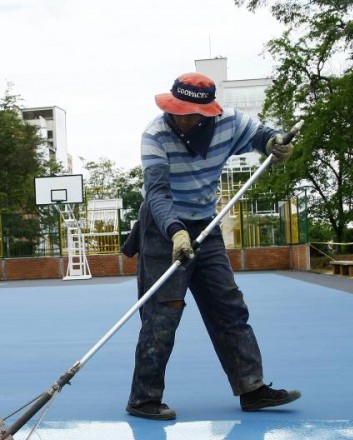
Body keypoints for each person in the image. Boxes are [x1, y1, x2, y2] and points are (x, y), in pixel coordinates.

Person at [123, 72, 300, 420]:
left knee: (228, 305)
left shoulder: (230, 122)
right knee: (163, 313)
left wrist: (275, 144)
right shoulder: (155, 135)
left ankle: (252, 388)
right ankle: (143, 399)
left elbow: (263, 136)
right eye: (175, 109)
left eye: (188, 112)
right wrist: (175, 231)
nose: (180, 117)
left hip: (206, 223)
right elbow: (156, 194)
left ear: (208, 112)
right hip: (163, 229)